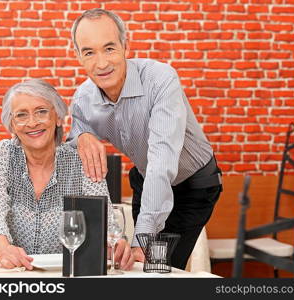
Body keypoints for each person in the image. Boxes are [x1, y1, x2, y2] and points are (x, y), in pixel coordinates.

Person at [68, 9, 223, 270]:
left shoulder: (161, 80)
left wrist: (143, 238)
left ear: (126, 46)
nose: (102, 63)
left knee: (161, 267)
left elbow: (162, 160)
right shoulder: (83, 99)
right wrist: (81, 135)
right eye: (89, 52)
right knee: (138, 267)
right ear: (78, 56)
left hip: (194, 186)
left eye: (109, 48)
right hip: (145, 179)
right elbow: (75, 134)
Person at [0, 79, 134, 270]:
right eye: (21, 115)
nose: (32, 122)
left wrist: (116, 244)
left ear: (58, 117)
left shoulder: (82, 158)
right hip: (6, 260)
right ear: (11, 125)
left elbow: (105, 219)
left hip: (63, 265)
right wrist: (3, 248)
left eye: (41, 111)